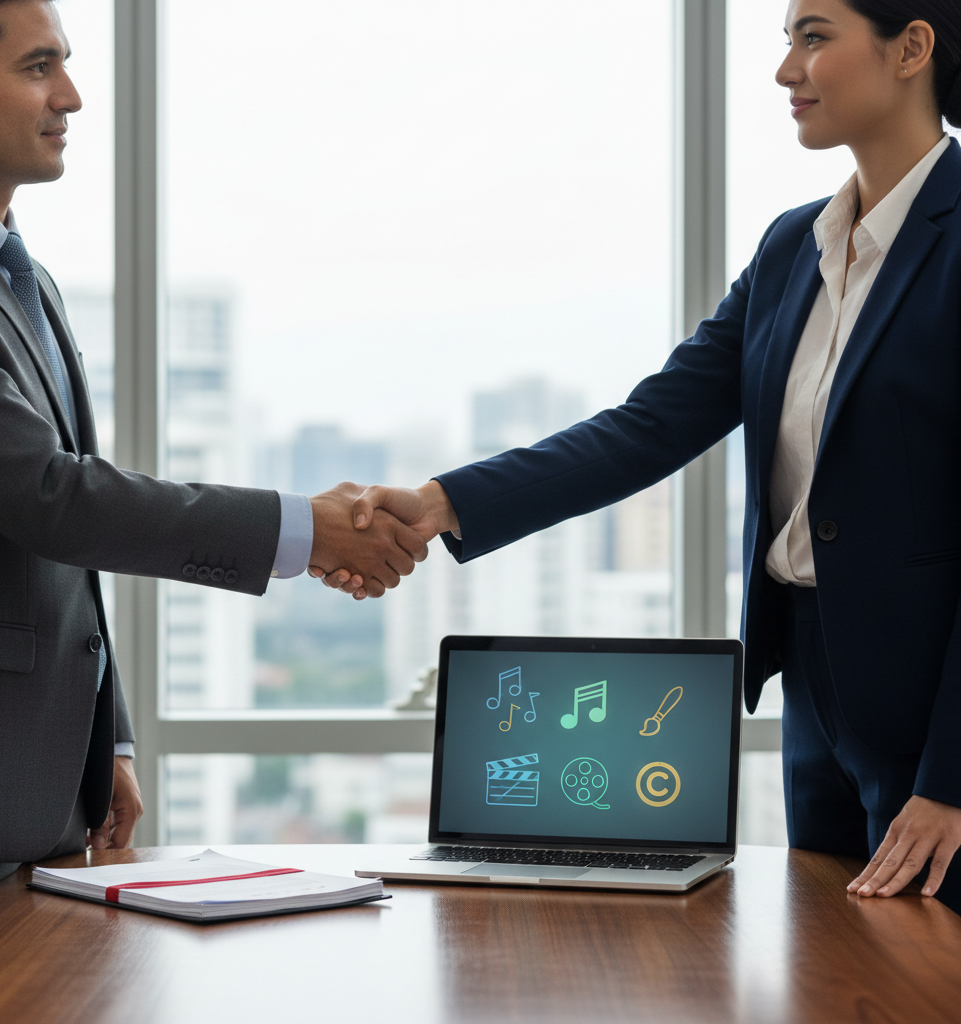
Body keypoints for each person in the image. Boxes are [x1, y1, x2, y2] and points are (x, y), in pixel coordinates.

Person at [327, 0, 961, 915]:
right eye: (786, 41)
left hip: (935, 708)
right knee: (832, 971)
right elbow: (648, 427)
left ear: (912, 48)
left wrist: (951, 776)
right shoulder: (794, 248)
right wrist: (439, 502)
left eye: (814, 38)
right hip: (814, 687)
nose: (787, 70)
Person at [0, 0, 427, 924]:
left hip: (27, 797)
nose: (72, 96)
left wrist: (101, 738)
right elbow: (51, 498)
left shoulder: (19, 274)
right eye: (39, 67)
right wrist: (303, 528)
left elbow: (55, 550)